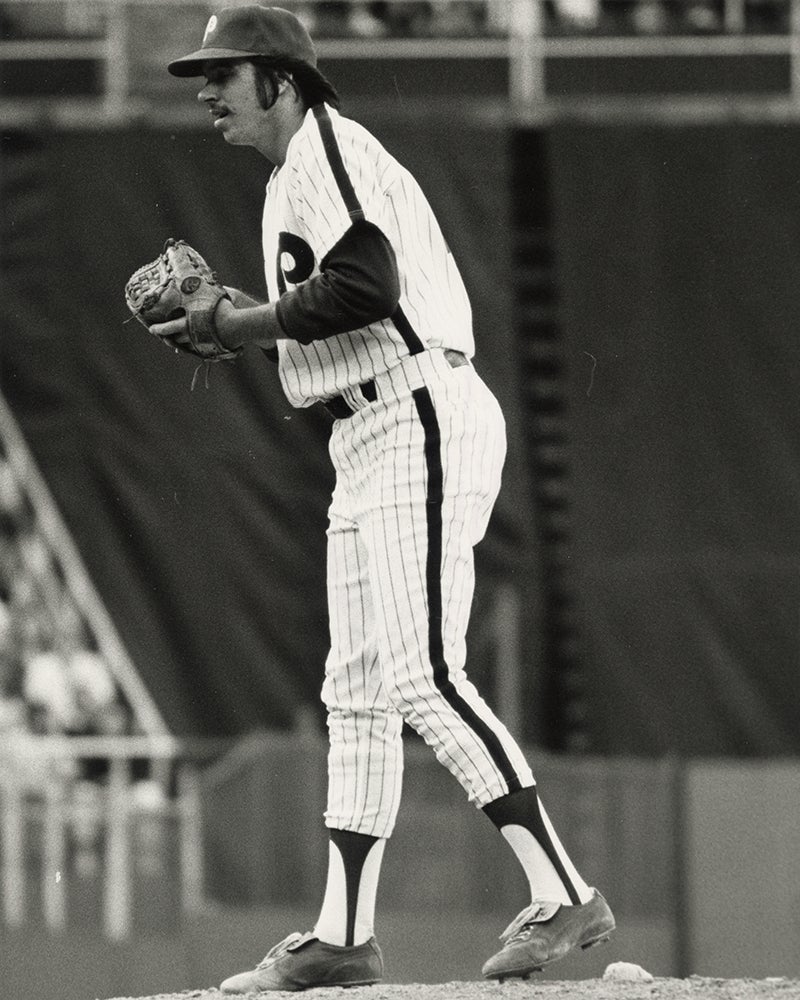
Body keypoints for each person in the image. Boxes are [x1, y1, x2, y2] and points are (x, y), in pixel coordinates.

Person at [154, 5, 615, 992]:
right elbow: (332, 309)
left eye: (224, 72)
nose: (206, 91)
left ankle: (563, 889)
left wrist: (237, 324)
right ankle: (342, 935)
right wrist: (236, 320)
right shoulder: (296, 175)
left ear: (279, 78)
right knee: (354, 689)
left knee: (420, 672)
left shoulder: (328, 148)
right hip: (363, 433)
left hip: (418, 412)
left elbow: (365, 283)